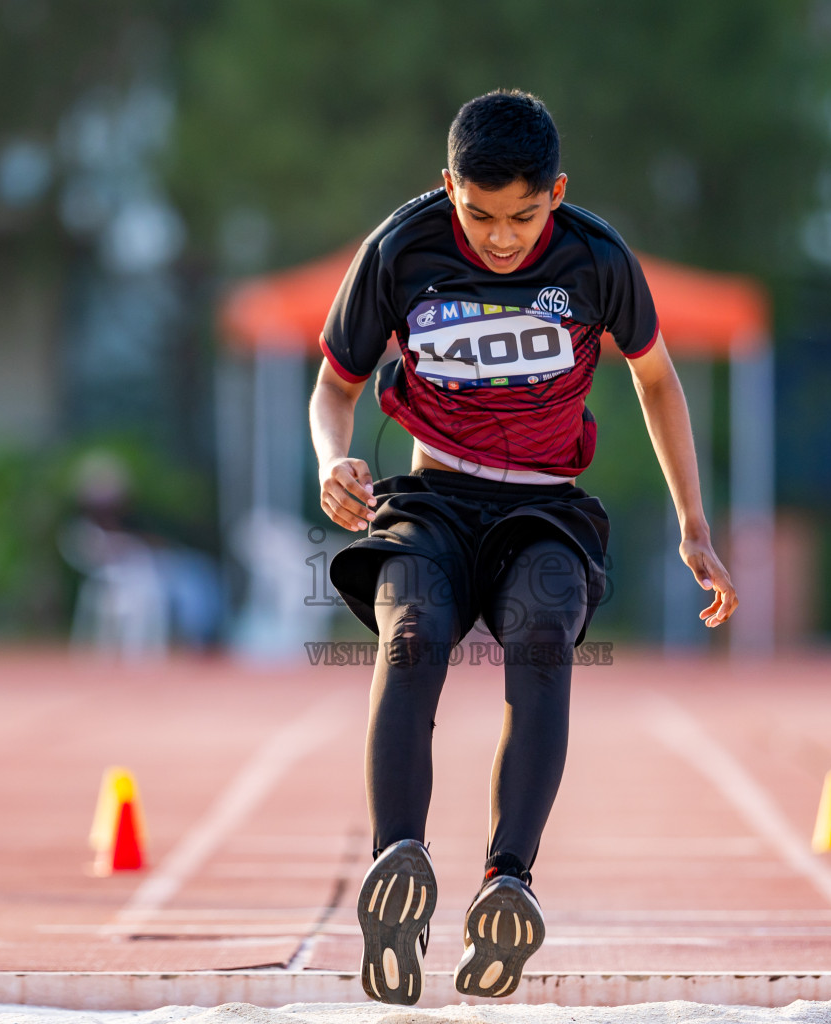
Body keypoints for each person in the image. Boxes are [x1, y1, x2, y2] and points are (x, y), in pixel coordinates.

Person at [308, 90, 738, 1005]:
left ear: (557, 193)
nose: (501, 238)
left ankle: (509, 881)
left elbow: (658, 384)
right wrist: (329, 460)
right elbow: (332, 388)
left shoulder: (597, 258)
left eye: (523, 216)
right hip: (431, 495)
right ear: (447, 187)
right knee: (412, 633)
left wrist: (693, 524)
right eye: (479, 214)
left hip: (545, 509)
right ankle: (399, 865)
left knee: (542, 640)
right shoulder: (399, 250)